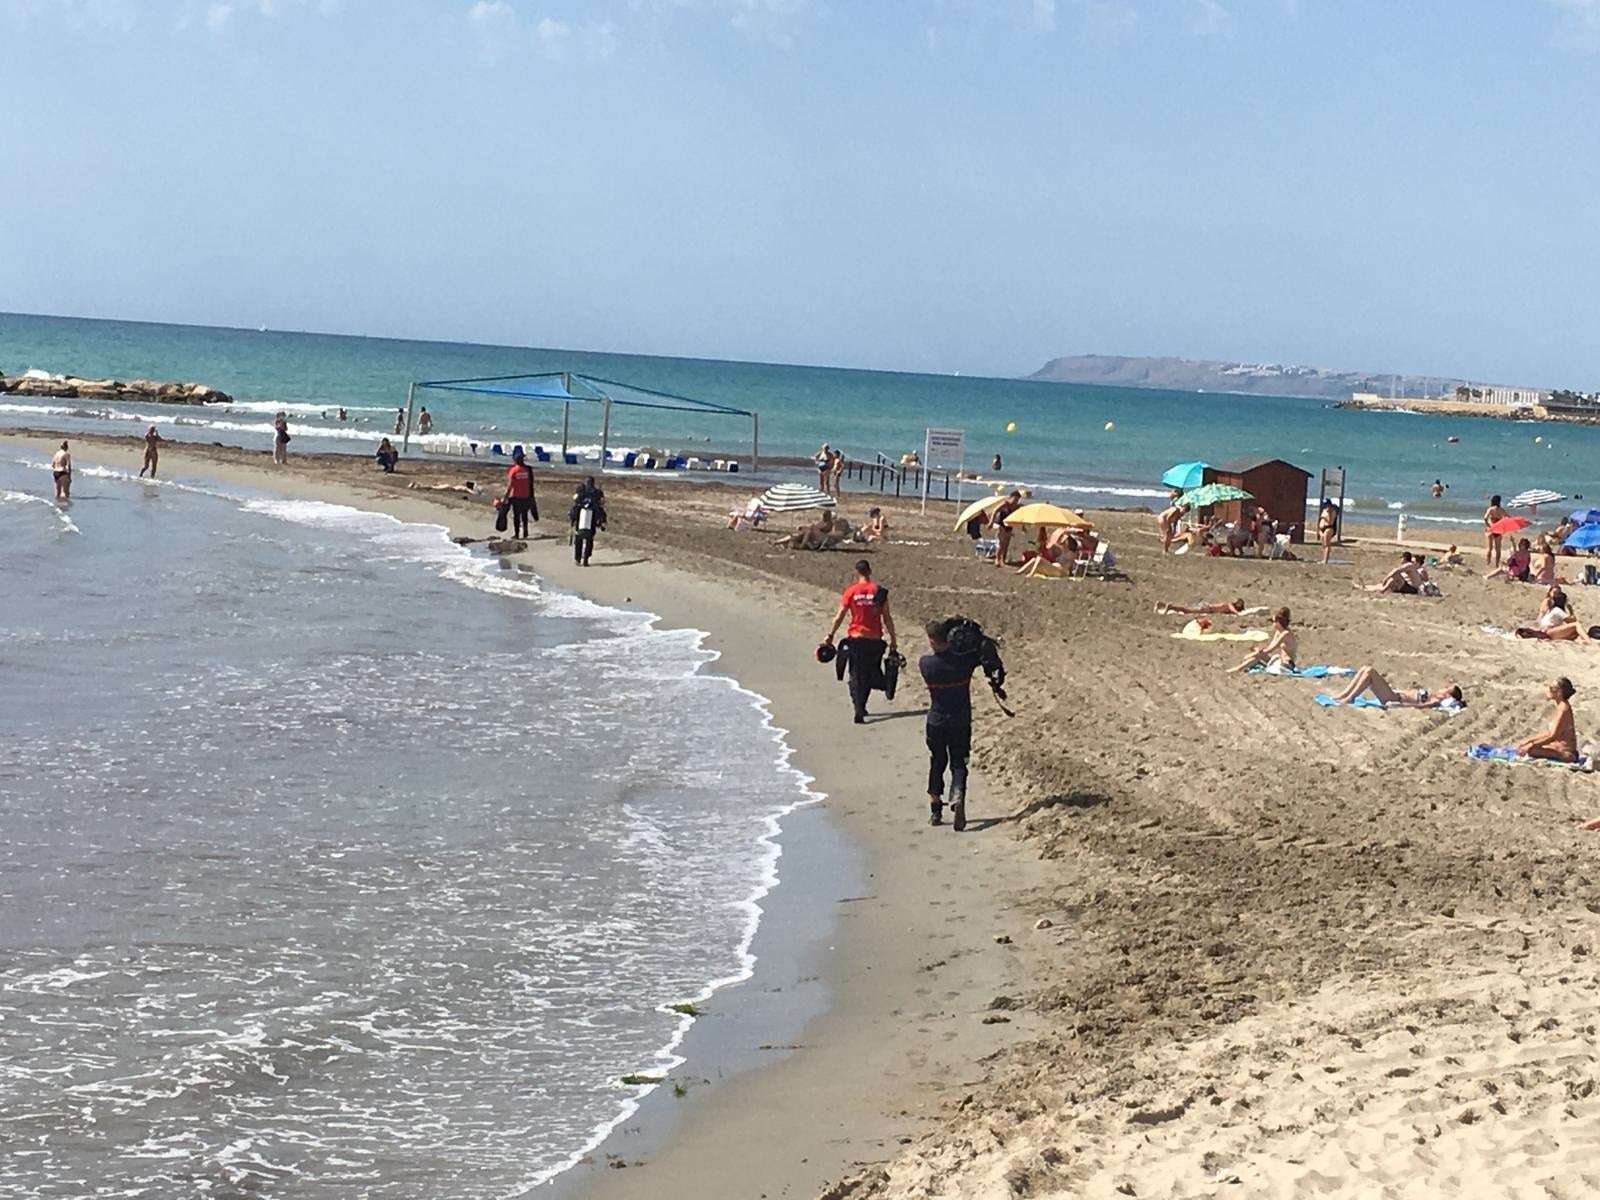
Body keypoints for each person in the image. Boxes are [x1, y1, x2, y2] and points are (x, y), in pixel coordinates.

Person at [919, 618, 979, 830]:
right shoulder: (964, 663)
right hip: (961, 720)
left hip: (936, 720)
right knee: (959, 763)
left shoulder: (926, 664)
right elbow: (979, 650)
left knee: (937, 761)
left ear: (932, 641)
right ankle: (958, 794)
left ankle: (936, 810)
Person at [823, 559, 898, 725]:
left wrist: (830, 635)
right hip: (874, 640)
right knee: (870, 672)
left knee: (856, 674)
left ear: (857, 573)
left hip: (856, 639)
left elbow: (840, 615)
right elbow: (887, 618)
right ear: (869, 571)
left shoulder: (851, 591)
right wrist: (893, 639)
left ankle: (858, 707)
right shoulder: (879, 591)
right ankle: (862, 706)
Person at [1515, 677, 1579, 762]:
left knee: (1530, 750)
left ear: (1559, 692)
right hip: (1557, 747)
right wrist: (1529, 741)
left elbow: (1552, 736)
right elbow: (1549, 732)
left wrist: (1532, 745)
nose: (1549, 690)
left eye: (1552, 688)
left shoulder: (1563, 709)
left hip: (1565, 752)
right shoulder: (1561, 707)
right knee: (1524, 747)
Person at [1331, 667, 1463, 708]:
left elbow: (1417, 706)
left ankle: (1350, 698)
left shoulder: (1435, 701)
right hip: (1394, 693)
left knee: (1369, 671)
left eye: (1447, 688)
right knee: (1365, 669)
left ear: (1447, 695)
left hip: (1393, 697)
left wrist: (1396, 704)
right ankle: (1344, 695)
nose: (1443, 687)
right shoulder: (1433, 694)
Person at [1228, 607, 1296, 673]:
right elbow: (1269, 647)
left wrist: (1254, 654)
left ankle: (1239, 669)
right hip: (1280, 661)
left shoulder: (1285, 634)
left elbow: (1271, 649)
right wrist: (1259, 651)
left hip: (1287, 665)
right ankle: (1241, 667)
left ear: (1278, 622)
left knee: (1257, 657)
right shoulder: (1278, 632)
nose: (1272, 624)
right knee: (1259, 656)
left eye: (1273, 621)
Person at [570, 475, 605, 565]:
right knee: (590, 539)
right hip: (592, 517)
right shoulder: (597, 492)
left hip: (581, 517)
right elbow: (601, 504)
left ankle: (578, 559)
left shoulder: (581, 490)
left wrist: (572, 517)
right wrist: (601, 521)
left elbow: (575, 502)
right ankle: (586, 558)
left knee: (579, 538)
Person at [502, 448, 536, 539]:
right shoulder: (528, 470)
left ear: (515, 460)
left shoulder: (513, 470)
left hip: (516, 496)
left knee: (516, 515)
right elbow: (530, 483)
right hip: (526, 495)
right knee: (524, 514)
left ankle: (517, 534)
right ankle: (525, 532)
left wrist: (505, 497)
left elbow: (510, 485)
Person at [1360, 551, 1427, 594]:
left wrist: (1385, 579)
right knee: (1385, 583)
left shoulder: (1410, 566)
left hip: (1412, 589)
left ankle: (1382, 590)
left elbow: (1396, 571)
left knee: (1394, 576)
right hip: (1408, 586)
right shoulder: (1410, 567)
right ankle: (1365, 587)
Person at [990, 490, 1024, 568]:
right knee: (1001, 542)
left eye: (1017, 500)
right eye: (1015, 499)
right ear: (1010, 498)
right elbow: (995, 511)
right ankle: (997, 560)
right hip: (999, 523)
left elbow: (1021, 516)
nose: (1015, 501)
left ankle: (1003, 560)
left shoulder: (1016, 507)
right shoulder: (1006, 504)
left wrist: (1023, 526)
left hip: (1008, 526)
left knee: (1006, 544)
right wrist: (991, 522)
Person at [1484, 494, 1507, 568]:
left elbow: (1485, 518)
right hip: (1498, 530)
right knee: (1498, 549)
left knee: (1489, 548)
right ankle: (1496, 564)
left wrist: (1488, 525)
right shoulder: (1502, 510)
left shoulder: (1490, 509)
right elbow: (1508, 518)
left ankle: (1488, 562)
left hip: (1490, 529)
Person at [1155, 597, 1246, 616]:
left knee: (1186, 609)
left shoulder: (1226, 603)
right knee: (1186, 610)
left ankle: (1161, 604)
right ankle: (1170, 607)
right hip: (1207, 608)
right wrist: (1238, 613)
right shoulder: (1228, 605)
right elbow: (1232, 609)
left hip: (1206, 607)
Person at [1317, 499, 1339, 564]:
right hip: (1322, 528)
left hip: (1329, 528)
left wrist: (1327, 515)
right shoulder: (1324, 510)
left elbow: (1330, 521)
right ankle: (1323, 558)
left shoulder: (1332, 511)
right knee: (1323, 544)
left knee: (1327, 544)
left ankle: (1325, 560)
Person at [408, 479, 480, 495]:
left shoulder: (463, 486)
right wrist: (476, 492)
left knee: (433, 487)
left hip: (449, 487)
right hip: (450, 488)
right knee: (432, 487)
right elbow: (471, 492)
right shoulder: (465, 488)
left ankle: (418, 486)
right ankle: (418, 486)